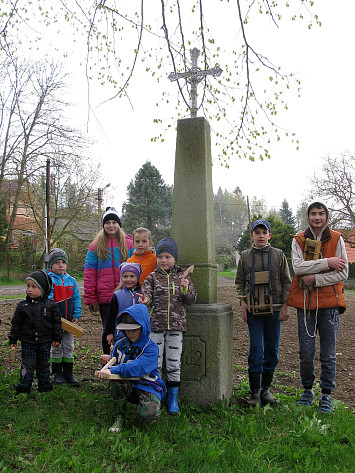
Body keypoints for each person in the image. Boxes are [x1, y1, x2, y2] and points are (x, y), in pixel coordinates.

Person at [287, 202, 348, 413]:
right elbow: (297, 267)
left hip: (329, 304)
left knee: (328, 354)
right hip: (306, 304)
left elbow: (343, 273)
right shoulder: (299, 240)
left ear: (326, 216)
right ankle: (307, 390)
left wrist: (316, 279)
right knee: (305, 351)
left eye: (321, 213)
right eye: (313, 213)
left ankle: (326, 395)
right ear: (308, 216)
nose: (317, 217)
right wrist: (327, 262)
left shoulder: (337, 238)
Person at [235, 219, 292, 407]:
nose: (260, 236)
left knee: (272, 350)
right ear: (251, 235)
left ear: (269, 235)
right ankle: (254, 391)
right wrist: (243, 302)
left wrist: (285, 306)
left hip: (275, 310)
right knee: (256, 350)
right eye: (257, 232)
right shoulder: (245, 256)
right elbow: (239, 282)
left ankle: (265, 389)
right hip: (253, 311)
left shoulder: (279, 255)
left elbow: (286, 282)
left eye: (264, 232)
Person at [140, 237, 197, 414]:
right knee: (155, 364)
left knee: (173, 363)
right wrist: (145, 300)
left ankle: (173, 399)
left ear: (175, 258)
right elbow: (147, 296)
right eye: (161, 257)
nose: (164, 260)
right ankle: (156, 396)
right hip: (156, 326)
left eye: (168, 257)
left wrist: (185, 289)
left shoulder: (182, 276)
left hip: (176, 327)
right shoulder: (152, 277)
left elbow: (192, 300)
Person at [97, 304, 166, 432]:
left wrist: (113, 370)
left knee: (148, 416)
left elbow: (137, 367)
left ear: (143, 327)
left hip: (147, 385)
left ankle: (146, 409)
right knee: (115, 381)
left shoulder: (151, 348)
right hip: (128, 384)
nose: (130, 334)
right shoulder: (119, 345)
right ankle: (119, 416)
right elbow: (114, 368)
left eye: (134, 330)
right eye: (127, 330)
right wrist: (106, 364)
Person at [84, 207, 134, 354]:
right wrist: (90, 297)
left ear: (119, 224)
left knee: (127, 326)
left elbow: (136, 268)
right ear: (103, 225)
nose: (111, 225)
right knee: (108, 328)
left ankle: (126, 358)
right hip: (105, 296)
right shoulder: (95, 246)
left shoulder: (128, 244)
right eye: (108, 222)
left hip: (125, 294)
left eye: (114, 222)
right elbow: (89, 272)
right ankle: (107, 357)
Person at [9, 270, 62, 394]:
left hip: (45, 341)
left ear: (43, 289)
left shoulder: (51, 306)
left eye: (34, 287)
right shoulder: (23, 306)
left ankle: (45, 386)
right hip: (28, 341)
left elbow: (56, 324)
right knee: (27, 364)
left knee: (43, 364)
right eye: (28, 286)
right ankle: (24, 387)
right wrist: (13, 339)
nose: (30, 290)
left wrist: (56, 338)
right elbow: (16, 324)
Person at [46, 248, 82, 386]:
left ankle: (68, 372)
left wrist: (76, 314)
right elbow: (48, 299)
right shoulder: (48, 279)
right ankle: (56, 372)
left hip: (69, 321)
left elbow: (76, 299)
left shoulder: (71, 280)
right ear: (51, 265)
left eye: (63, 262)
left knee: (68, 346)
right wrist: (53, 317)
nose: (61, 265)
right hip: (55, 322)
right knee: (56, 345)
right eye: (57, 262)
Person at [104, 262, 143, 346]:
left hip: (139, 333)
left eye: (132, 276)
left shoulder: (142, 294)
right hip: (121, 334)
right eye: (125, 277)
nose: (128, 279)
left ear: (138, 278)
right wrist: (109, 333)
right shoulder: (117, 295)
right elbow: (111, 316)